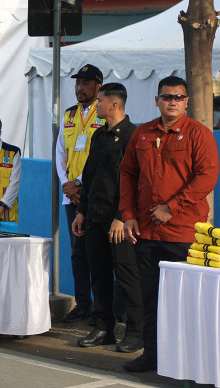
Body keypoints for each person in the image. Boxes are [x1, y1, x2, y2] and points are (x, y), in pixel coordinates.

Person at [119, 76, 219, 372]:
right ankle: (153, 355)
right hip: (146, 233)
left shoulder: (197, 134)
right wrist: (128, 214)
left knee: (187, 302)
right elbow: (127, 174)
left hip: (183, 233)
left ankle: (189, 361)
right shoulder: (142, 134)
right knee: (151, 298)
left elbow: (207, 177)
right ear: (157, 100)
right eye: (166, 97)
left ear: (186, 102)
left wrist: (171, 207)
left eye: (178, 97)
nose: (172, 101)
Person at [71, 83, 143, 353]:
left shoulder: (133, 136)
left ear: (113, 104)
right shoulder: (99, 136)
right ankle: (104, 328)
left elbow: (134, 182)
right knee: (98, 274)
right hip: (94, 217)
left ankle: (136, 332)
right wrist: (81, 212)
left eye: (99, 101)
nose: (96, 105)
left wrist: (121, 216)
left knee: (127, 275)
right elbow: (90, 178)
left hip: (119, 222)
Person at [56, 64, 104, 322]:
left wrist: (79, 183)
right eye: (77, 83)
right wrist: (67, 184)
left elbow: (101, 154)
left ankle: (101, 308)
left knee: (97, 251)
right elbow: (60, 151)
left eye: (85, 83)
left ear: (98, 86)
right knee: (78, 253)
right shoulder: (69, 114)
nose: (79, 87)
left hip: (93, 192)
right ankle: (82, 304)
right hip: (72, 196)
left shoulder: (105, 110)